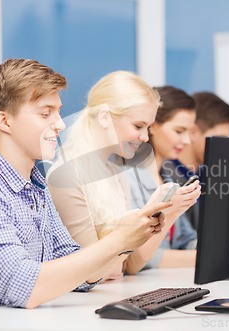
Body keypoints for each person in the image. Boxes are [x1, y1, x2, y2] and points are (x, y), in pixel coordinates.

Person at [0, 59, 171, 331]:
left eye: (58, 112)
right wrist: (119, 239)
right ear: (5, 121)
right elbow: (24, 287)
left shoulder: (34, 186)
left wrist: (130, 235)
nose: (60, 124)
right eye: (45, 113)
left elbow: (83, 274)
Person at [47, 72, 200, 278]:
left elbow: (130, 266)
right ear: (104, 117)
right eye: (138, 126)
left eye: (147, 127)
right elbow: (91, 273)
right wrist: (141, 220)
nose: (145, 137)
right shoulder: (67, 176)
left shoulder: (117, 174)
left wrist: (167, 213)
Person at [127, 86, 201, 268]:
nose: (187, 141)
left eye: (189, 133)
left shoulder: (169, 180)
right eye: (179, 131)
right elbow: (138, 257)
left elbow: (187, 239)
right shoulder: (128, 179)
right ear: (153, 125)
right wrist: (204, 259)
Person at [162, 91, 229, 229]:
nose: (225, 148)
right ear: (194, 132)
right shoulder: (166, 176)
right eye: (221, 139)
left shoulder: (208, 175)